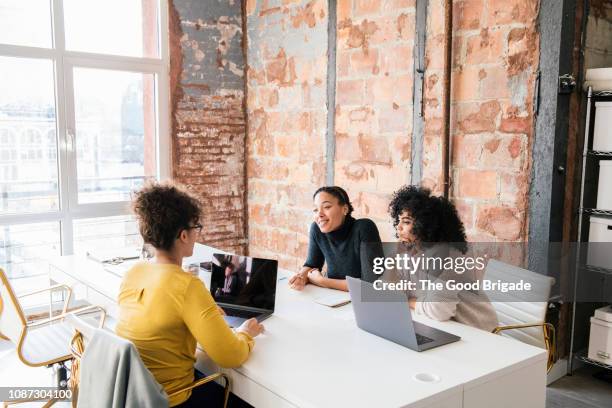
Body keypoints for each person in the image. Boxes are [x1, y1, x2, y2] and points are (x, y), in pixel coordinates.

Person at [115, 181, 264, 407]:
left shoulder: (134, 272)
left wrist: (200, 314)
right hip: (171, 399)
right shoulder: (187, 286)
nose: (197, 234)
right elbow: (230, 356)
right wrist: (245, 334)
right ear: (183, 235)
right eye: (196, 227)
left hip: (132, 395)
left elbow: (160, 320)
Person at [386, 185, 498, 332]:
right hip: (444, 327)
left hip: (479, 332)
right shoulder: (409, 253)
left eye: (406, 222)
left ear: (425, 226)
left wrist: (407, 301)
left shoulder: (448, 257)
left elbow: (438, 310)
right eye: (398, 221)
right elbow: (386, 290)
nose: (398, 227)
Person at [289, 186, 384, 292]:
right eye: (315, 210)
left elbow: (368, 285)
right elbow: (312, 265)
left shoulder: (364, 228)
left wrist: (322, 281)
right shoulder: (316, 229)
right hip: (332, 296)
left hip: (362, 301)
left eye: (327, 207)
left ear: (345, 209)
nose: (319, 214)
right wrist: (301, 277)